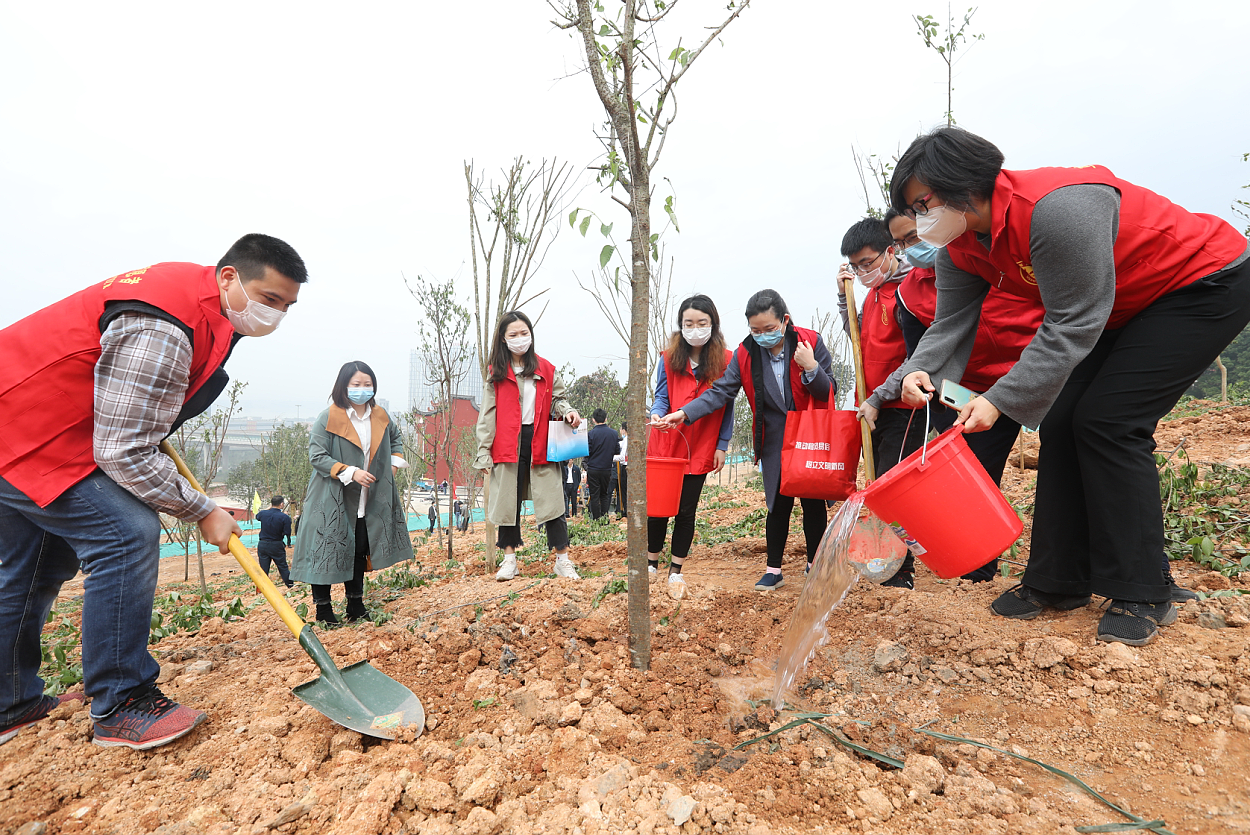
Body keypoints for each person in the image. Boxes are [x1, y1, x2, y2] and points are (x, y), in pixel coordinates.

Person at [892, 126, 1250, 646]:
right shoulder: (960, 247)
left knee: (1110, 420)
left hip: (1199, 280)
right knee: (1061, 421)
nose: (922, 221)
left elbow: (1072, 322)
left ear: (964, 185)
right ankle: (1059, 581)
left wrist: (999, 400)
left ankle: (1144, 588)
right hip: (1119, 306)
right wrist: (915, 373)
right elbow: (950, 326)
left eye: (923, 204)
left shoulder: (1056, 211)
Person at [0, 234, 306, 750]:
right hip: (28, 433)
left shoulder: (203, 306)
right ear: (228, 276)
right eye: (268, 299)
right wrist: (201, 509)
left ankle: (10, 703)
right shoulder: (165, 326)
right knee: (126, 533)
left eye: (286, 307)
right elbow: (122, 451)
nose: (274, 315)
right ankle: (122, 701)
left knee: (35, 564)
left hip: (43, 429)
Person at [877, 208, 1045, 583]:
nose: (912, 246)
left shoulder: (998, 262)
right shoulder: (908, 294)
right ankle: (977, 574)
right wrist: (939, 408)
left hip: (1036, 374)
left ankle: (1063, 571)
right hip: (969, 394)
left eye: (917, 234)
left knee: (1069, 460)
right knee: (975, 482)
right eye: (903, 242)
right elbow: (923, 359)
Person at [660, 289, 835, 590]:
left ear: (784, 321)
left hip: (809, 434)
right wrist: (684, 413)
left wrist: (811, 366)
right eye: (755, 330)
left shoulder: (811, 342)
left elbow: (828, 388)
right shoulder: (746, 353)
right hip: (774, 439)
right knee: (777, 504)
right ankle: (774, 569)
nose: (762, 335)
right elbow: (720, 392)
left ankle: (814, 564)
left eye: (769, 329)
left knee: (813, 502)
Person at [292, 361, 415, 625]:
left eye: (367, 384)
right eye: (356, 385)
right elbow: (316, 455)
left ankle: (355, 604)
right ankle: (323, 610)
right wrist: (349, 471)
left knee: (359, 547)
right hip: (331, 494)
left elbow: (396, 439)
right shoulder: (329, 416)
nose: (362, 389)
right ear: (343, 386)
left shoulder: (380, 415)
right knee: (325, 548)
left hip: (367, 495)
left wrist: (393, 464)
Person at [474, 311, 583, 581]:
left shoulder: (546, 369)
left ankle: (562, 560)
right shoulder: (496, 374)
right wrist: (483, 451)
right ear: (503, 339)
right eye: (513, 335)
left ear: (531, 335)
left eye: (524, 333)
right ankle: (509, 560)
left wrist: (567, 410)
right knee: (507, 503)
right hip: (507, 444)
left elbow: (558, 399)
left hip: (540, 441)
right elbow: (487, 414)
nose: (520, 339)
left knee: (553, 501)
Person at [648, 294, 734, 598]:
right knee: (658, 508)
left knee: (686, 510)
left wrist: (722, 444)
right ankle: (650, 564)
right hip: (667, 441)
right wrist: (657, 412)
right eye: (689, 323)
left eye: (701, 322)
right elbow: (661, 395)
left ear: (712, 324)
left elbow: (727, 404)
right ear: (680, 326)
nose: (695, 328)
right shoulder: (668, 357)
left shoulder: (726, 360)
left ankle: (675, 571)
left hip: (702, 444)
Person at [585, 409, 620, 521]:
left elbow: (587, 452)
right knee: (604, 494)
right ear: (606, 419)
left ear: (593, 420)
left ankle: (596, 519)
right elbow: (617, 451)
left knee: (594, 495)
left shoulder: (590, 434)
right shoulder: (614, 434)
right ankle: (605, 519)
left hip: (593, 469)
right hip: (606, 468)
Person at [256, 495, 294, 588]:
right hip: (276, 544)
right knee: (282, 566)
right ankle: (290, 585)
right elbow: (287, 532)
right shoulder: (284, 517)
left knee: (263, 568)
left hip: (263, 544)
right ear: (281, 504)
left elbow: (257, 516)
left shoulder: (263, 514)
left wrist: (270, 507)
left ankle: (261, 588)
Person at [614, 421, 629, 518]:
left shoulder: (627, 439)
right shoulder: (626, 440)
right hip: (627, 467)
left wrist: (610, 458)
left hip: (626, 467)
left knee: (624, 490)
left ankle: (626, 511)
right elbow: (620, 444)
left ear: (624, 430)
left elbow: (622, 457)